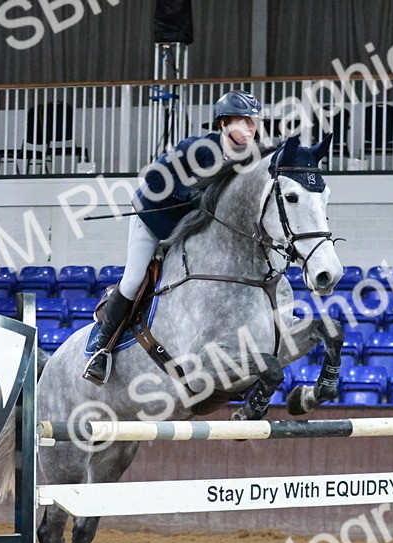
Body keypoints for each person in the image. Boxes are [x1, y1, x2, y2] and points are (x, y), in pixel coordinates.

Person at [82, 89, 263, 385]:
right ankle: (101, 349)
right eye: (241, 121)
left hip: (191, 228)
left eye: (252, 121)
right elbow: (154, 177)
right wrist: (188, 193)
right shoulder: (198, 148)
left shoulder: (252, 158)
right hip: (153, 218)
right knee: (134, 278)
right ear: (222, 124)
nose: (249, 127)